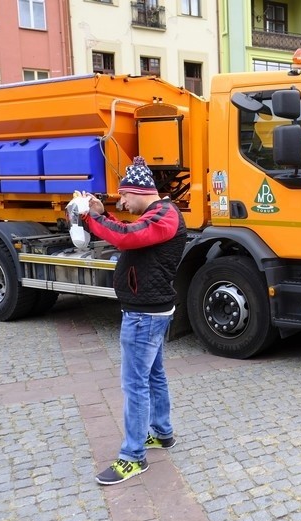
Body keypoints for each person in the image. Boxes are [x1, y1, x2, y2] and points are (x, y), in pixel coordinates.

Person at [83, 156, 187, 485]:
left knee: (135, 384)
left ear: (138, 191)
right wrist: (103, 215)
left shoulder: (165, 216)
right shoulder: (159, 214)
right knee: (153, 376)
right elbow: (130, 231)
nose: (122, 202)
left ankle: (133, 457)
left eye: (123, 196)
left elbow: (126, 237)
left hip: (144, 314)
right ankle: (163, 433)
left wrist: (89, 218)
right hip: (148, 310)